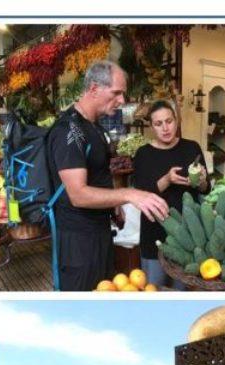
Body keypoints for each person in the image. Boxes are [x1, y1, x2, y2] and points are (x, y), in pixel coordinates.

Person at [47, 61, 169, 292]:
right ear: (94, 89)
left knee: (106, 290)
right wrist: (128, 194)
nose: (122, 100)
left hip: (101, 232)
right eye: (117, 93)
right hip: (77, 242)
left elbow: (99, 173)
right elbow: (78, 195)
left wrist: (115, 205)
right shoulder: (69, 132)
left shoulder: (96, 128)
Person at [133, 100, 211, 289]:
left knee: (181, 291)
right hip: (155, 234)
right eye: (158, 124)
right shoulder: (143, 154)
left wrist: (201, 182)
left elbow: (206, 189)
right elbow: (140, 194)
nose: (165, 128)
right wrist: (166, 180)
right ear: (151, 127)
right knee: (153, 289)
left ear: (176, 121)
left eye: (169, 121)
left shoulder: (192, 147)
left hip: (187, 234)